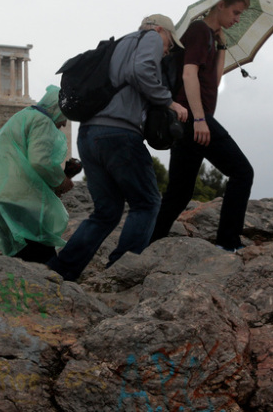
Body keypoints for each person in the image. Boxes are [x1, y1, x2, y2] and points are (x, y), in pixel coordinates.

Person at [47, 15, 188, 281]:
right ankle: (123, 271)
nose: (168, 50)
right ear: (160, 30)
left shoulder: (118, 46)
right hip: (118, 135)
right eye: (169, 42)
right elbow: (141, 71)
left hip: (89, 135)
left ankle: (61, 270)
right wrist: (170, 102)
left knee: (107, 212)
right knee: (146, 203)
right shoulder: (149, 38)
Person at [150, 0, 254, 251]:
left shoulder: (210, 36)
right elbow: (188, 75)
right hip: (193, 118)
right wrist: (199, 119)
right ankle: (228, 241)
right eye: (235, 12)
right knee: (242, 172)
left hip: (191, 119)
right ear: (220, 5)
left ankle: (147, 242)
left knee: (179, 193)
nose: (237, 19)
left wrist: (221, 46)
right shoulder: (197, 31)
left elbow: (215, 82)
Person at [0, 85, 75, 264]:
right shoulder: (42, 121)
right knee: (41, 254)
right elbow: (40, 160)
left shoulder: (22, 117)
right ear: (57, 109)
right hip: (21, 198)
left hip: (1, 194)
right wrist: (61, 181)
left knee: (22, 254)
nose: (64, 124)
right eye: (65, 116)